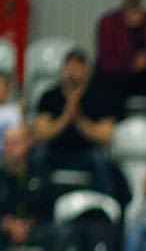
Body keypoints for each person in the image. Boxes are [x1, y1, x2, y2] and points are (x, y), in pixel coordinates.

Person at [32, 49, 118, 190]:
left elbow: (106, 137)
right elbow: (41, 134)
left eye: (77, 67)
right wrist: (66, 117)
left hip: (87, 152)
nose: (72, 72)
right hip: (56, 151)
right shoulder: (49, 96)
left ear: (86, 70)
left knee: (102, 160)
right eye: (69, 67)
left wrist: (78, 119)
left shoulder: (101, 96)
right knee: (37, 157)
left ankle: (104, 204)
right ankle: (39, 206)